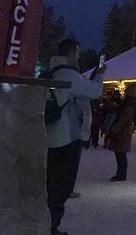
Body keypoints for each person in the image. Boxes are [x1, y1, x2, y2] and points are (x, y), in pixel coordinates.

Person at [43, 37, 105, 235]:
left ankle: (46, 222)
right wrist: (100, 75)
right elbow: (93, 92)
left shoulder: (48, 73)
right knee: (61, 185)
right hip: (66, 138)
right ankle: (51, 226)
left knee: (50, 182)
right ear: (69, 54)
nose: (79, 57)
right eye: (77, 53)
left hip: (49, 137)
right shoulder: (68, 75)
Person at [107, 84, 136, 181]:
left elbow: (123, 118)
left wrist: (114, 130)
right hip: (122, 131)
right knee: (120, 153)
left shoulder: (129, 104)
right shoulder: (127, 103)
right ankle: (120, 173)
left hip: (122, 132)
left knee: (120, 153)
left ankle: (121, 174)